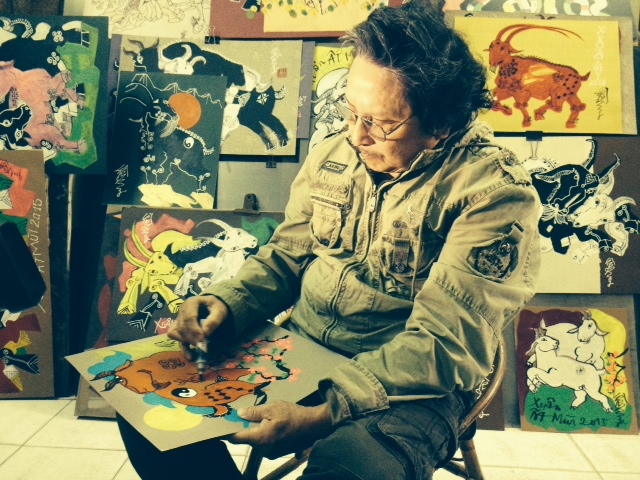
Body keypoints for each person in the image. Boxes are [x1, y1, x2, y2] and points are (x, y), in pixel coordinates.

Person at [116, 1, 541, 478]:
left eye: (380, 122)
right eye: (351, 112)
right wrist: (227, 302)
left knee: (347, 468)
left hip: (414, 387)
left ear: (440, 125)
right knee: (143, 401)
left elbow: (446, 344)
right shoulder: (336, 153)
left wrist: (327, 411)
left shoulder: (494, 194)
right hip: (302, 348)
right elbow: (286, 256)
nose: (356, 136)